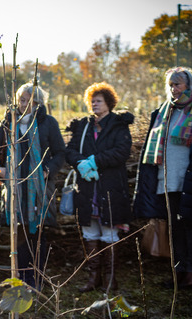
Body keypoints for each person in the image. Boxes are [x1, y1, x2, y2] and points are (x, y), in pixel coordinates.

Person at [134, 67, 192, 289]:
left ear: (189, 84)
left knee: (191, 224)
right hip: (168, 177)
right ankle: (178, 272)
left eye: (178, 84)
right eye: (171, 84)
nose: (173, 88)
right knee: (174, 227)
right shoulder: (163, 111)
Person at [0, 83, 65, 290]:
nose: (23, 104)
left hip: (39, 189)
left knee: (38, 233)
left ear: (38, 103)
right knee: (18, 234)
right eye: (21, 100)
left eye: (28, 101)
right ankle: (20, 279)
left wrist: (47, 170)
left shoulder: (47, 123)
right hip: (14, 189)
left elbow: (60, 152)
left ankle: (36, 279)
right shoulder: (8, 122)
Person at [65, 82, 133, 293]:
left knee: (109, 232)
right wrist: (80, 164)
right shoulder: (83, 126)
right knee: (90, 232)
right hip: (87, 189)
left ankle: (110, 280)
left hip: (110, 187)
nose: (94, 104)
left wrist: (94, 161)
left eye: (99, 101)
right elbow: (70, 151)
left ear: (109, 103)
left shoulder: (118, 125)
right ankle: (93, 278)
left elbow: (122, 152)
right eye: (92, 101)